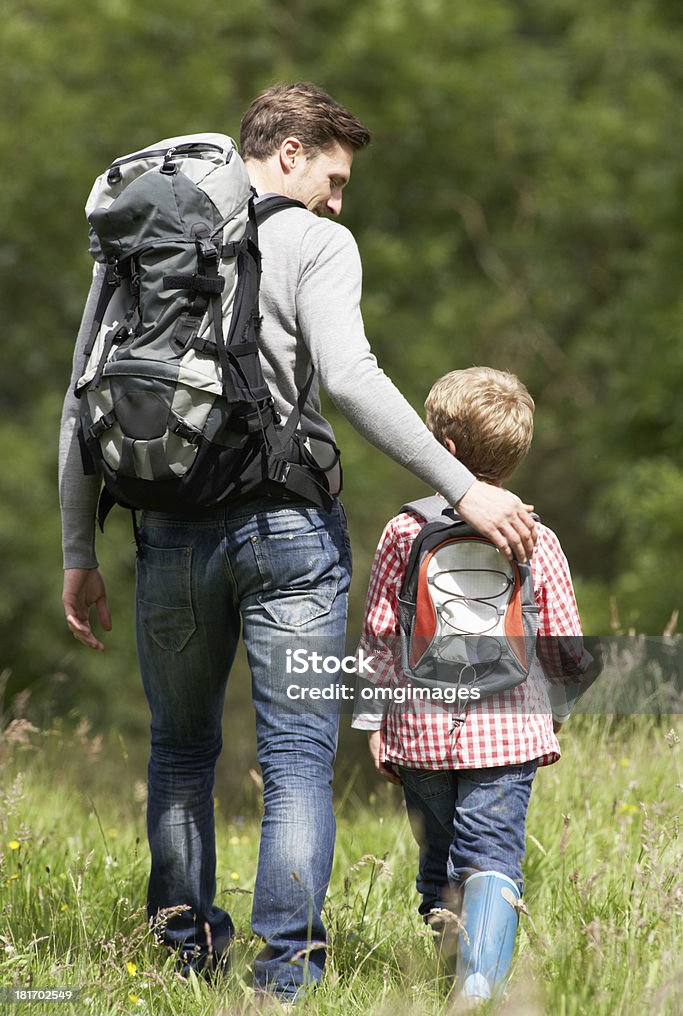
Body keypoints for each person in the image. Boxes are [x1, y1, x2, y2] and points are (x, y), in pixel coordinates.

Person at [59, 85, 537, 1002]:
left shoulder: (139, 244)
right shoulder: (316, 242)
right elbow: (350, 379)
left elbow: (83, 397)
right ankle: (283, 979)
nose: (337, 197)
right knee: (295, 762)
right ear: (287, 151)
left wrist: (80, 547)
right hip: (289, 537)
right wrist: (465, 486)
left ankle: (184, 957)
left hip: (166, 530)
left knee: (180, 751)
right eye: (333, 174)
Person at [353, 366, 591, 1008]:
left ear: (445, 451)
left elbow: (382, 633)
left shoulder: (405, 531)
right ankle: (479, 986)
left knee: (439, 862)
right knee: (491, 857)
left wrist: (374, 719)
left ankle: (449, 974)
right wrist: (557, 711)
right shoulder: (537, 537)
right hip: (510, 730)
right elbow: (564, 643)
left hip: (422, 730)